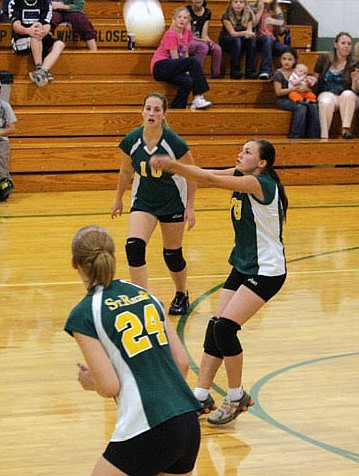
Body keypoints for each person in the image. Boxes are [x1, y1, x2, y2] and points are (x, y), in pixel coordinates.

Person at [151, 137, 288, 425]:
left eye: (248, 152)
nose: (241, 154)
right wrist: (179, 169)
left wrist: (174, 165)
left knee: (226, 329)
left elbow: (209, 178)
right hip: (244, 263)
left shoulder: (258, 184)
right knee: (215, 326)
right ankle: (200, 395)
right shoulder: (243, 175)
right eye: (241, 149)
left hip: (266, 271)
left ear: (262, 163)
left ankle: (236, 396)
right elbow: (210, 175)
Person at [65, 225, 201, 476]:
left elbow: (108, 387)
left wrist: (89, 381)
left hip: (147, 425)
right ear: (114, 258)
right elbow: (182, 364)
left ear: (75, 264)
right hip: (187, 421)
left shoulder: (84, 313)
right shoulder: (144, 294)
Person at [111, 92, 196, 316]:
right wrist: (118, 198)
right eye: (148, 108)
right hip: (144, 202)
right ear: (142, 111)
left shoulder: (173, 142)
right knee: (134, 247)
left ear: (164, 114)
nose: (152, 113)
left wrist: (190, 206)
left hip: (172, 203)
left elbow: (192, 173)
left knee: (172, 254)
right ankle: (142, 298)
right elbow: (126, 170)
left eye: (157, 110)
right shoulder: (132, 139)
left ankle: (181, 293)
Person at [151, 6, 212, 110]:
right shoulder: (171, 34)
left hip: (173, 67)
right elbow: (175, 59)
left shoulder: (186, 33)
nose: (182, 20)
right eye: (179, 17)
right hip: (160, 66)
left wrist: (189, 72)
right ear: (174, 19)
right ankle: (198, 96)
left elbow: (185, 53)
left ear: (188, 21)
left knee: (188, 81)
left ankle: (177, 108)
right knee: (193, 61)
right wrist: (187, 68)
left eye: (185, 18)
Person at [312, 31, 359, 139]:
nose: (346, 46)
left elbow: (355, 90)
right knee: (325, 101)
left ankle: (345, 130)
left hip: (347, 97)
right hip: (329, 93)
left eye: (349, 44)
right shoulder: (324, 59)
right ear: (336, 45)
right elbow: (316, 77)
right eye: (343, 43)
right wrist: (312, 80)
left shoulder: (355, 62)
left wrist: (355, 80)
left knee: (347, 94)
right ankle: (324, 136)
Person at [8, 0, 65, 87]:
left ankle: (42, 71)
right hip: (20, 39)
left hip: (39, 36)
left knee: (60, 44)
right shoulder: (15, 2)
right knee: (34, 36)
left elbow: (47, 25)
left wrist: (42, 32)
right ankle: (39, 67)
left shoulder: (45, 3)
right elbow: (16, 26)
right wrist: (28, 31)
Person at [273, 47, 320, 138]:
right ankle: (296, 135)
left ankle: (313, 136)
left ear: (295, 61)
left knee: (313, 105)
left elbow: (306, 86)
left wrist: (305, 88)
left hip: (298, 96)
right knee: (300, 107)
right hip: (283, 99)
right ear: (280, 59)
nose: (286, 62)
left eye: (290, 59)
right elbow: (278, 92)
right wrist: (294, 89)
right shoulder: (278, 73)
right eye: (284, 59)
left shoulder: (298, 72)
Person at [218, 0, 256, 79]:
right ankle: (235, 71)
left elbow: (249, 31)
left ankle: (250, 71)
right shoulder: (226, 15)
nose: (238, 4)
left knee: (251, 41)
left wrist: (250, 34)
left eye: (241, 2)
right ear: (231, 4)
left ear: (245, 4)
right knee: (236, 40)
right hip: (227, 39)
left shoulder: (248, 14)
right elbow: (232, 33)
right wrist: (245, 33)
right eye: (235, 2)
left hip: (240, 40)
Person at [186, 0, 222, 78]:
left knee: (217, 49)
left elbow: (204, 35)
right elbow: (189, 35)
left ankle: (215, 76)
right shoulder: (186, 11)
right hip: (187, 40)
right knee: (203, 47)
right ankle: (196, 74)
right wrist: (203, 41)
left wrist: (209, 41)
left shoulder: (207, 12)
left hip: (200, 40)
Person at [255, 0, 287, 80]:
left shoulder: (277, 11)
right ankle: (265, 71)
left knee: (288, 49)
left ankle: (288, 75)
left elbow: (281, 32)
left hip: (272, 40)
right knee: (268, 39)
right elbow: (251, 25)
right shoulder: (254, 9)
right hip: (257, 39)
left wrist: (277, 25)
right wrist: (260, 10)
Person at [0, 83, 16, 202]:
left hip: (1, 140)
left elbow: (12, 128)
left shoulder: (5, 106)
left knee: (1, 159)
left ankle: (4, 183)